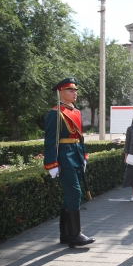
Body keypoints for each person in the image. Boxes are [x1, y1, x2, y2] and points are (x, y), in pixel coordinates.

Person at [43, 77, 95, 248]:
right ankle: (75, 234)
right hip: (64, 157)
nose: (75, 93)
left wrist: (84, 154)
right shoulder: (55, 113)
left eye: (75, 91)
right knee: (75, 193)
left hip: (76, 155)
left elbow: (80, 137)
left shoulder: (76, 112)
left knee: (70, 196)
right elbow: (50, 141)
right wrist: (51, 163)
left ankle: (65, 234)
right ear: (61, 93)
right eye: (70, 90)